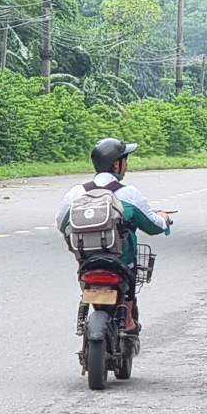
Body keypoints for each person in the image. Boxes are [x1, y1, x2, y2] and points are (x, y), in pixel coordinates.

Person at [56, 138, 171, 334]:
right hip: (121, 261)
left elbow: (62, 224)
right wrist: (165, 219)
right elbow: (153, 226)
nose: (126, 165)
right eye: (125, 160)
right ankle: (127, 321)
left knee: (86, 279)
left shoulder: (76, 192)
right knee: (130, 273)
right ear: (117, 164)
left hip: (87, 260)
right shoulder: (128, 193)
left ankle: (88, 313)